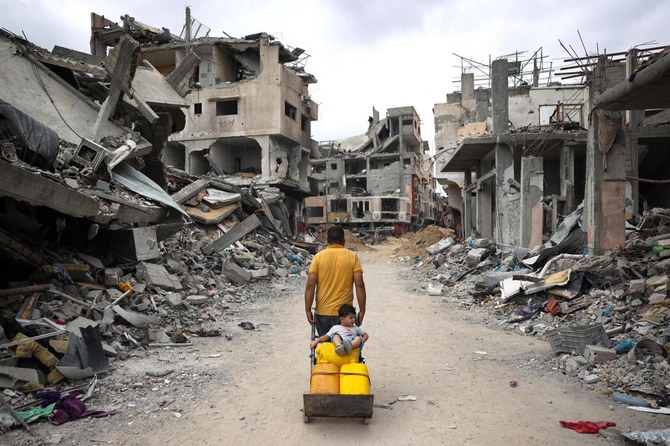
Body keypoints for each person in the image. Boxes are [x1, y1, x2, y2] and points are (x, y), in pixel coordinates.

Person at [304, 225, 367, 336]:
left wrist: (308, 310)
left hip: (323, 313)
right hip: (345, 314)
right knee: (346, 347)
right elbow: (359, 285)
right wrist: (362, 310)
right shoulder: (352, 257)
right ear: (343, 240)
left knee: (326, 347)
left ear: (328, 240)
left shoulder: (318, 257)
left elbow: (310, 285)